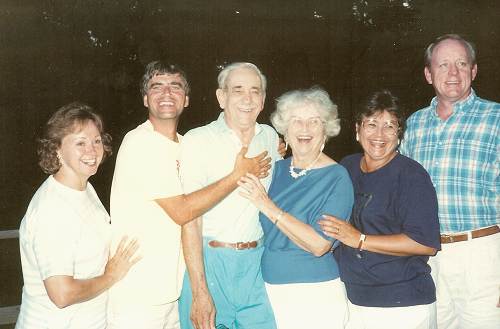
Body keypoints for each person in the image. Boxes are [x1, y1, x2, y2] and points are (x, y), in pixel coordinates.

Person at [107, 61, 272, 329]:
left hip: (172, 288)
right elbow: (183, 211)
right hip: (138, 291)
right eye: (157, 87)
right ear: (145, 98)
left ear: (186, 99)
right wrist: (237, 175)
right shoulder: (141, 143)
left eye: (176, 86)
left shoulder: (184, 144)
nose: (167, 93)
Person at [399, 34, 500, 329]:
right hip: (428, 257)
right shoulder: (413, 124)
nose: (453, 73)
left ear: (474, 70)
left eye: (461, 63)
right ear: (429, 74)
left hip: (484, 255)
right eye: (443, 65)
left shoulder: (496, 118)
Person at [319, 90, 441, 329]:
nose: (379, 135)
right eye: (371, 124)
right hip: (354, 300)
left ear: (399, 134)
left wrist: (360, 240)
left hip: (402, 304)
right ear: (357, 130)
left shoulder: (411, 175)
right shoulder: (347, 167)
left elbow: (425, 243)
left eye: (390, 126)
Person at [237, 86, 354, 329]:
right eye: (296, 121)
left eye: (314, 121)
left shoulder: (337, 176)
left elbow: (319, 244)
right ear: (285, 131)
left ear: (325, 131)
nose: (305, 128)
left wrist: (268, 207)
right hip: (268, 291)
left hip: (314, 294)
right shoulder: (276, 170)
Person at [16, 102, 140, 329]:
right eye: (80, 143)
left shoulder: (83, 188)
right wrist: (111, 276)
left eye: (96, 141)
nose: (92, 151)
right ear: (56, 149)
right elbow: (62, 294)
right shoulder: (52, 208)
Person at [178, 62, 281, 329]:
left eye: (255, 91)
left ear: (263, 100)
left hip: (257, 266)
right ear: (221, 97)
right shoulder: (197, 140)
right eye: (237, 90)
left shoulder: (270, 137)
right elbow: (190, 217)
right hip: (210, 265)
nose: (247, 99)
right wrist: (200, 292)